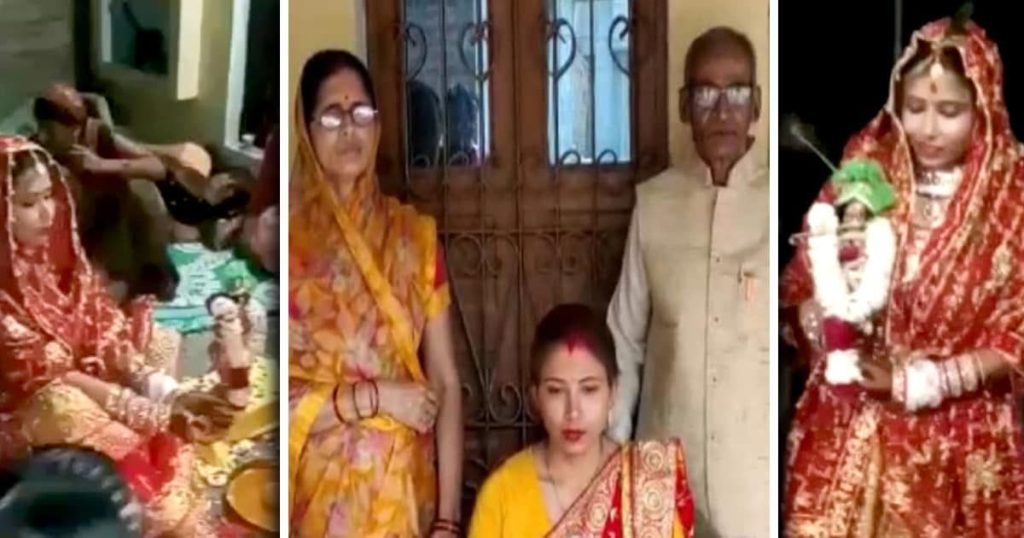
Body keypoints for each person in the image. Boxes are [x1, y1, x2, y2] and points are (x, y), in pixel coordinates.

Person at [781, 18, 1024, 536]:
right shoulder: (865, 172)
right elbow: (800, 286)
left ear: (982, 108)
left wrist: (919, 382)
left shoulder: (1011, 200)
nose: (929, 129)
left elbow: (1016, 337)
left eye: (949, 111)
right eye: (915, 108)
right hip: (847, 433)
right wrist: (819, 318)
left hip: (956, 446)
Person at [0, 136, 241, 536]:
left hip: (79, 377)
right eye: (28, 203)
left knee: (162, 340)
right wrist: (138, 407)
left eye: (48, 197)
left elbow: (102, 327)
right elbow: (48, 376)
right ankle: (142, 492)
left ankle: (155, 457)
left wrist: (155, 384)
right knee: (66, 404)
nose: (47, 213)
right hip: (23, 410)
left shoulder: (56, 259)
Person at [288, 50, 464, 537]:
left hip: (405, 502)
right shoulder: (286, 247)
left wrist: (447, 520)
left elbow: (445, 382)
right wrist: (377, 397)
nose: (350, 128)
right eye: (332, 115)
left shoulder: (413, 240)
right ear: (306, 131)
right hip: (318, 506)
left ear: (378, 125)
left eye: (361, 112)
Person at [605, 26, 769, 536]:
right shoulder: (654, 204)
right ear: (683, 106)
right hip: (664, 472)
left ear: (756, 104)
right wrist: (608, 453)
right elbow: (623, 340)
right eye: (705, 94)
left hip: (754, 481)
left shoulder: (780, 203)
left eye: (736, 92)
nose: (721, 111)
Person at [468, 303, 695, 537]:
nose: (573, 412)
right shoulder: (502, 494)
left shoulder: (647, 485)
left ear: (613, 393)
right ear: (536, 397)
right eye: (556, 390)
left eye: (589, 389)